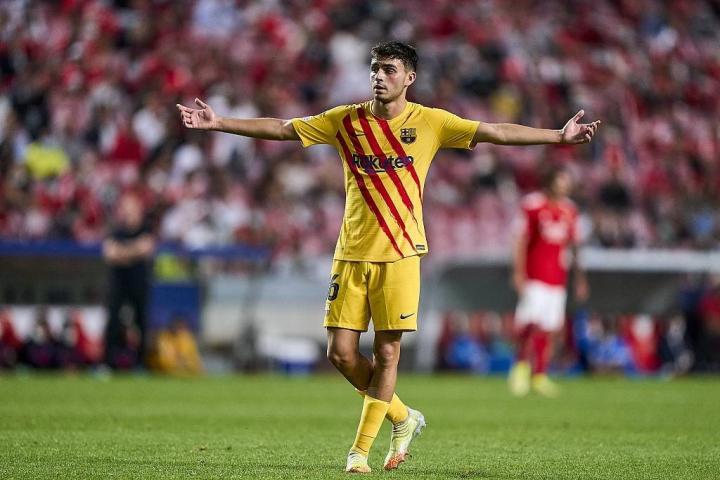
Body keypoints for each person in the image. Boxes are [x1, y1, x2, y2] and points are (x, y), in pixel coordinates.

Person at [177, 41, 600, 473]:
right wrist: (219, 123)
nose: (379, 76)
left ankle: (359, 452)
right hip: (351, 253)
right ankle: (402, 415)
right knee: (340, 354)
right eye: (375, 68)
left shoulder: (431, 122)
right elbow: (284, 128)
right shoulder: (345, 119)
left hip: (401, 254)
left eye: (389, 70)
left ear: (409, 78)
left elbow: (496, 132)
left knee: (387, 353)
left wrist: (557, 136)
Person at [508, 165, 589, 397]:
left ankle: (540, 375)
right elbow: (520, 240)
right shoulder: (532, 205)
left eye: (567, 183)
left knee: (550, 328)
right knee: (530, 323)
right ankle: (520, 368)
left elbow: (575, 246)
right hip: (535, 276)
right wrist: (518, 272)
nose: (564, 187)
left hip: (557, 278)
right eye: (560, 181)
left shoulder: (570, 210)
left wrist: (580, 279)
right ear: (550, 182)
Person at [102, 192, 156, 369]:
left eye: (130, 208)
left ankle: (141, 364)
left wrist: (123, 252)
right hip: (118, 283)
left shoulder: (146, 229)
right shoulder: (115, 231)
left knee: (141, 322)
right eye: (124, 208)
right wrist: (134, 251)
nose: (127, 212)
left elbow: (146, 248)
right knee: (113, 322)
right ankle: (107, 363)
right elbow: (110, 254)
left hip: (139, 283)